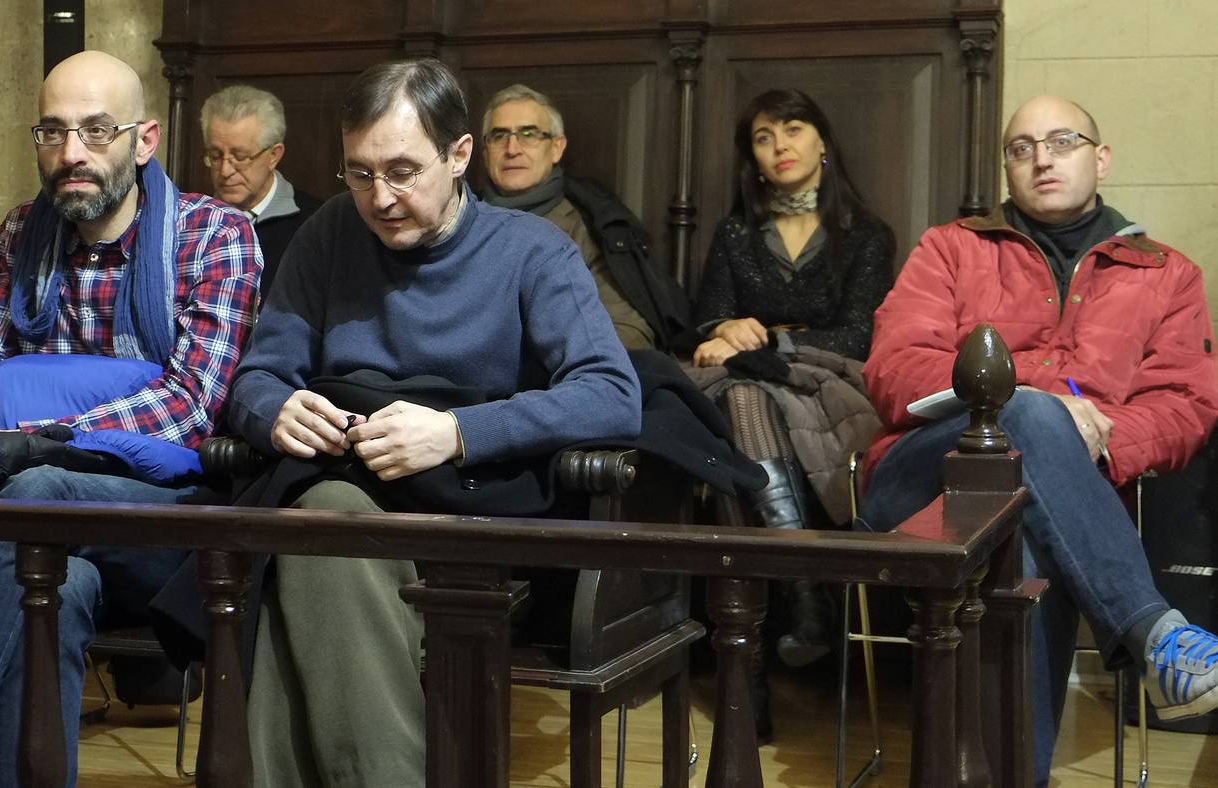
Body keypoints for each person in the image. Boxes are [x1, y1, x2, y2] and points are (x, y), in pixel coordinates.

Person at [221, 59, 641, 787]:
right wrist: (274, 412)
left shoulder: (531, 249)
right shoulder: (330, 232)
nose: (380, 198)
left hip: (474, 511)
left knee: (314, 535)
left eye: (402, 172)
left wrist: (457, 432)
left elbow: (611, 393)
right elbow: (258, 375)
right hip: (343, 484)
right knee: (319, 522)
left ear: (459, 155)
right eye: (359, 173)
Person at [0, 50, 260, 787]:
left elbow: (190, 406)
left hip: (165, 520)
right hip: (33, 528)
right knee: (54, 589)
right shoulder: (21, 234)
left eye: (96, 131)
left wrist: (19, 449)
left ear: (144, 140)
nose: (71, 154)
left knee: (33, 495)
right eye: (53, 132)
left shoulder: (213, 234)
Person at [859, 95, 1218, 785]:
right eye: (1020, 148)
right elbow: (894, 367)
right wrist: (1038, 403)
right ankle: (1154, 634)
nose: (1041, 159)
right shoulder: (950, 248)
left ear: (1100, 158)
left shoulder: (1166, 274)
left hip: (1061, 501)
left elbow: (1185, 404)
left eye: (1061, 141)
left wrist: (1098, 437)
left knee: (1020, 538)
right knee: (1026, 414)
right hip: (924, 476)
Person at [684, 88, 895, 737]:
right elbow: (707, 317)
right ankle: (805, 595)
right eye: (763, 137)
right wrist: (725, 328)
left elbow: (859, 335)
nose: (779, 146)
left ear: (822, 140)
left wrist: (768, 342)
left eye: (793, 129)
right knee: (741, 398)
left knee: (743, 406)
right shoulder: (735, 232)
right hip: (746, 385)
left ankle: (756, 665)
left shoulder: (866, 234)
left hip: (825, 381)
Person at [476, 83, 689, 348]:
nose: (512, 149)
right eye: (499, 136)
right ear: (484, 152)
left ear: (557, 147)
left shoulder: (589, 225)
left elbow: (630, 329)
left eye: (528, 134)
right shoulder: (459, 222)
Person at [200, 83, 318, 297]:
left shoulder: (315, 224)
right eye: (216, 155)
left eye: (240, 157)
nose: (225, 171)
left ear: (274, 156)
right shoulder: (192, 222)